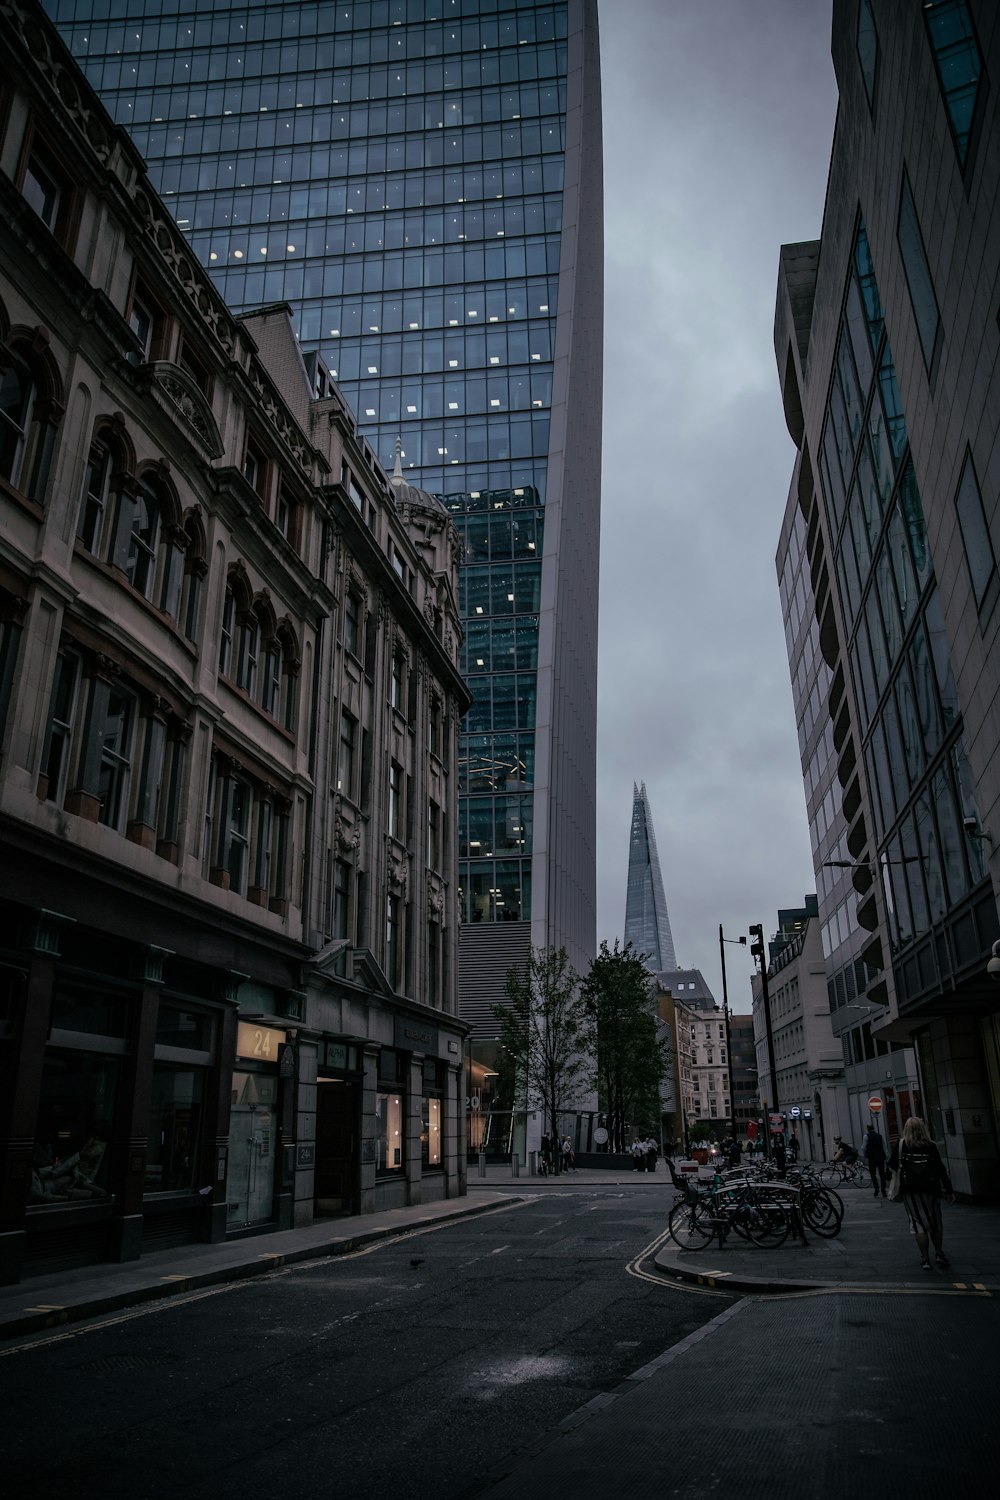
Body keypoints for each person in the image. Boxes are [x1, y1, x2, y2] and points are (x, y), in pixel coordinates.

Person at [887, 1117, 955, 1270]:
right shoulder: (931, 1146)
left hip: (910, 1190)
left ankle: (925, 1259)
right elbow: (941, 1169)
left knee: (918, 1224)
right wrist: (949, 1190)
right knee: (936, 1221)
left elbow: (891, 1165)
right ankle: (939, 1253)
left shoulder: (901, 1145)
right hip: (931, 1189)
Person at [862, 1123, 888, 1197]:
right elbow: (884, 1147)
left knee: (873, 1174)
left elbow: (864, 1147)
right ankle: (883, 1190)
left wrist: (865, 1154)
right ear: (874, 1128)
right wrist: (886, 1157)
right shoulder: (880, 1136)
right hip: (880, 1157)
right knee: (882, 1174)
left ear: (868, 1129)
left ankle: (876, 1188)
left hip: (872, 1158)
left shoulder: (866, 1136)